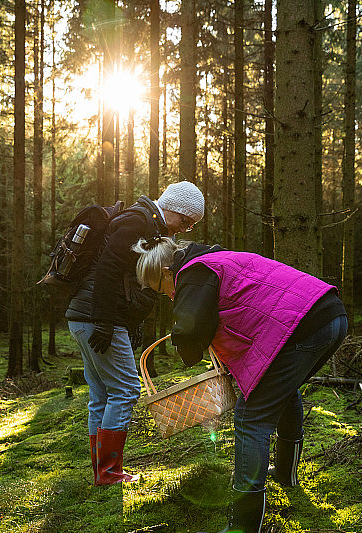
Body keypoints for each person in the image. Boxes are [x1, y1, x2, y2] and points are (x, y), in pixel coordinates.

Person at [134, 239, 347, 532]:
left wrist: (186, 350)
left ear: (168, 270)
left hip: (302, 324)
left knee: (250, 418)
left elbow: (190, 328)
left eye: (162, 287)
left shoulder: (193, 274)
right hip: (327, 313)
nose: (169, 295)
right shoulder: (216, 259)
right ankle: (286, 475)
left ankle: (245, 525)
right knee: (283, 393)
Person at [66, 181, 205, 486]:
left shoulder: (144, 222)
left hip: (84, 315)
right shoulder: (139, 221)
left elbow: (126, 279)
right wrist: (104, 320)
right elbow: (107, 269)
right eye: (186, 220)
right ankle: (110, 472)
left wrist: (130, 323)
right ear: (174, 208)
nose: (185, 228)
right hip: (97, 316)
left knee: (101, 393)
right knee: (127, 388)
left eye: (191, 225)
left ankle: (102, 471)